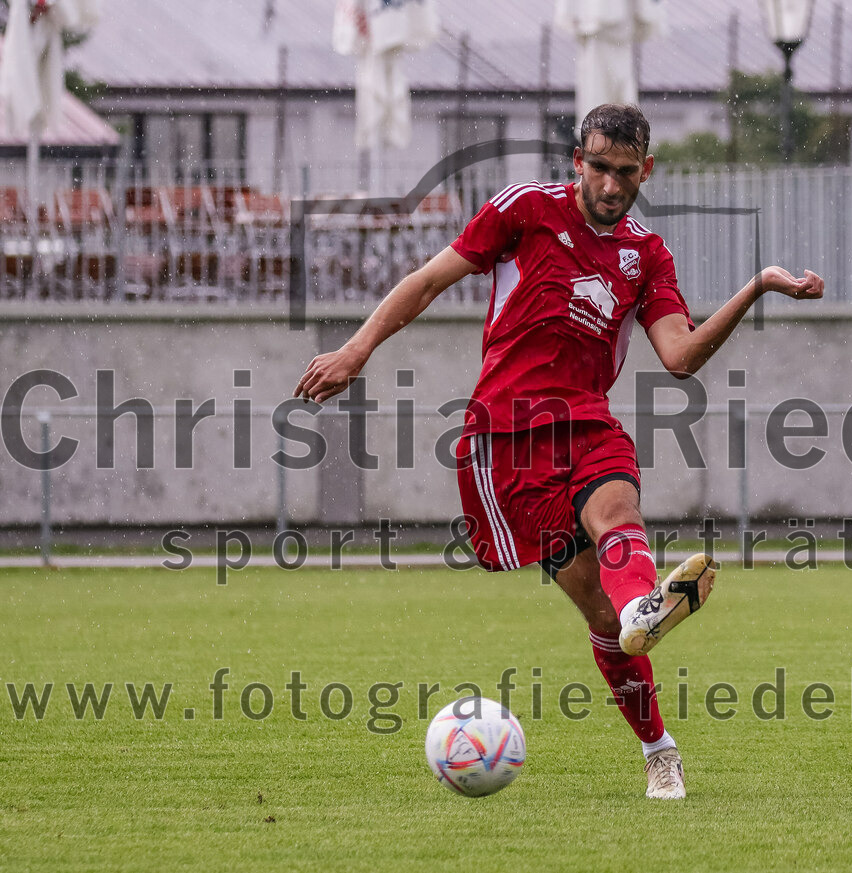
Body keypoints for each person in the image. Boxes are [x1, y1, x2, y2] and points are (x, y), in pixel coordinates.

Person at [295, 103, 824, 799]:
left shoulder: (646, 255)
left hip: (588, 421)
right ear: (579, 161)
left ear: (646, 171)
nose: (610, 184)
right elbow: (427, 280)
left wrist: (756, 286)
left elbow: (681, 356)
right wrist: (357, 349)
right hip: (506, 438)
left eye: (625, 173)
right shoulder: (523, 210)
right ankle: (655, 729)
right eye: (599, 167)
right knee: (600, 619)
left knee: (618, 515)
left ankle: (648, 637)